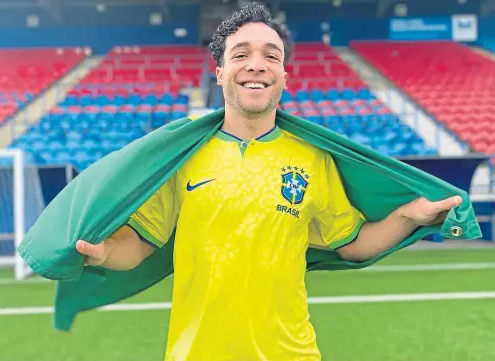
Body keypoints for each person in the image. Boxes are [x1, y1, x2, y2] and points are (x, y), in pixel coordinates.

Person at [75, 3, 462, 361]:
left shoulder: (313, 157)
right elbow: (142, 244)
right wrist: (106, 251)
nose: (256, 65)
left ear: (284, 76)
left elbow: (352, 244)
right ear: (221, 73)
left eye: (271, 56)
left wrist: (411, 216)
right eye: (241, 54)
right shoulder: (184, 153)